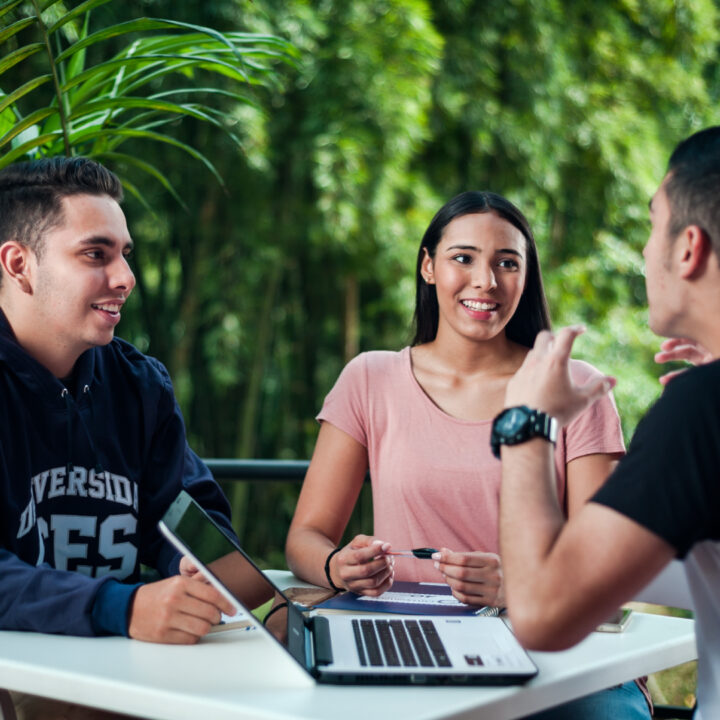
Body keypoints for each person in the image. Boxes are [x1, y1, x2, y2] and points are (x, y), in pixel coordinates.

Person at [285, 191, 650, 718]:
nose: (486, 281)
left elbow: (607, 570)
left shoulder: (575, 387)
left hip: (558, 659)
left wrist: (520, 584)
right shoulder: (370, 378)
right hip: (410, 650)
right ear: (428, 267)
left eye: (507, 262)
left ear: (526, 279)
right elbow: (305, 539)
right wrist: (337, 566)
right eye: (463, 258)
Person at [0, 158, 270, 716]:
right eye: (96, 254)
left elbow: (193, 518)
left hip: (129, 666)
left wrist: (190, 574)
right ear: (18, 263)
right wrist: (120, 608)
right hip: (28, 668)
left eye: (125, 255)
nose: (125, 278)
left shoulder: (139, 384)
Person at [496, 125, 720, 720]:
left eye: (653, 225)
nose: (647, 250)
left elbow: (542, 614)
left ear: (688, 247)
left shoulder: (702, 411)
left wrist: (526, 422)